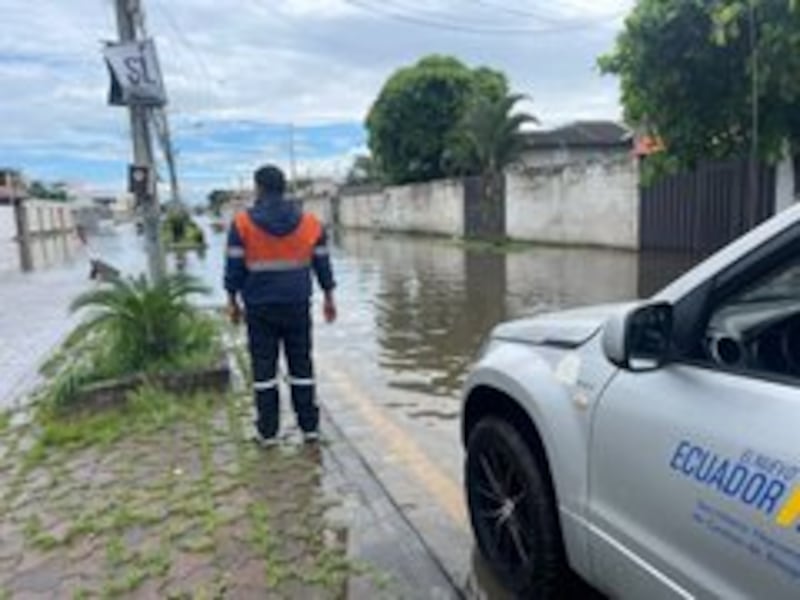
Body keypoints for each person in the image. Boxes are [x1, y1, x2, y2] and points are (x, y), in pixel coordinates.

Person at [224, 165, 337, 446]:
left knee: (264, 371)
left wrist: (232, 301)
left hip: (260, 309)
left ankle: (268, 431)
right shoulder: (311, 223)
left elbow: (234, 267)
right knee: (301, 366)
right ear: (284, 187)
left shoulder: (242, 224)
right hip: (297, 304)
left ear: (259, 188)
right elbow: (322, 263)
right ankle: (309, 428)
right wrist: (329, 297)